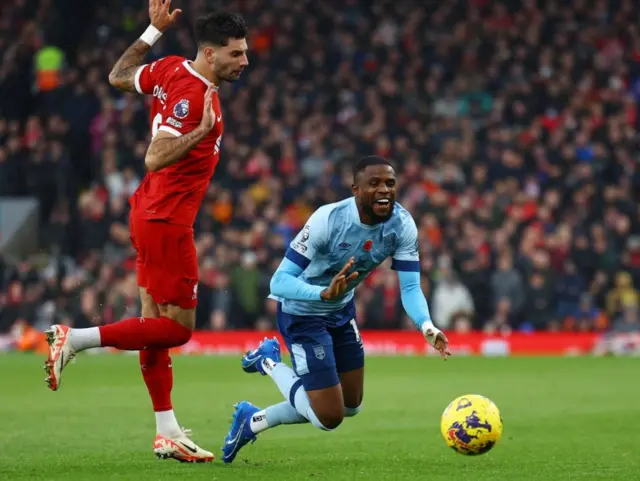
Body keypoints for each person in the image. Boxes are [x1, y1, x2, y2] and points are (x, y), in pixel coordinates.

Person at [42, 0, 249, 463]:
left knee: (152, 326)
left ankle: (167, 431)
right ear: (211, 54)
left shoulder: (171, 66)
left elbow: (118, 75)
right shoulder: (193, 97)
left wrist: (152, 33)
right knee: (177, 332)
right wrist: (201, 132)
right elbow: (154, 156)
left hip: (149, 211)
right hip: (166, 221)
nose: (245, 61)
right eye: (236, 53)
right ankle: (73, 338)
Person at [221, 156, 451, 463]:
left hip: (341, 313)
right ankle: (267, 362)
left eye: (390, 183)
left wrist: (426, 325)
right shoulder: (327, 220)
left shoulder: (402, 225)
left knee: (351, 405)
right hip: (302, 315)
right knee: (328, 417)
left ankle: (251, 422)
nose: (384, 190)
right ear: (356, 190)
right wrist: (322, 293)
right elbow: (278, 282)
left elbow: (409, 287)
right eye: (375, 184)